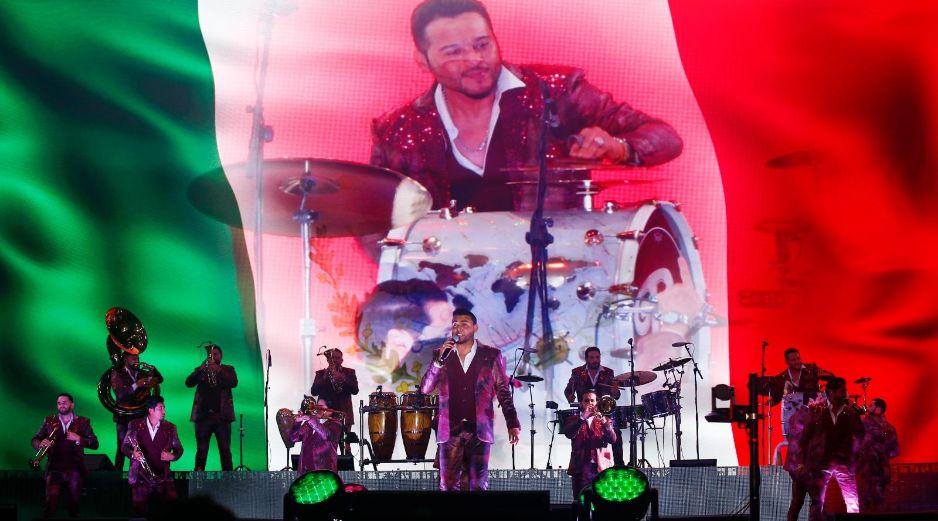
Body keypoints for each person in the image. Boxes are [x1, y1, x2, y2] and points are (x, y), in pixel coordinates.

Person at [371, 0, 683, 212]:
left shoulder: (556, 92)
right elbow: (373, 216)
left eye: (482, 45)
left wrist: (618, 148)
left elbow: (666, 138)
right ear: (422, 60)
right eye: (453, 52)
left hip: (558, 274)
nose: (476, 60)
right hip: (451, 292)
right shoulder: (399, 130)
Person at [420, 307, 521, 490]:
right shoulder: (441, 355)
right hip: (450, 429)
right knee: (448, 486)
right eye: (455, 324)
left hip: (479, 429)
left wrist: (512, 423)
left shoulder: (490, 355)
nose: (458, 328)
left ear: (475, 328)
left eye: (464, 324)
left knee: (478, 485)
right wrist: (438, 361)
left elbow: (502, 390)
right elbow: (425, 389)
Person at [796, 376, 864, 520]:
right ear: (831, 392)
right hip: (821, 462)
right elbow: (805, 437)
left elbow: (860, 435)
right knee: (817, 502)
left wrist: (855, 456)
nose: (845, 394)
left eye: (845, 391)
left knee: (852, 501)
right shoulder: (818, 411)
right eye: (842, 391)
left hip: (844, 462)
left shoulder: (850, 412)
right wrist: (801, 461)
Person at [31, 393, 99, 518]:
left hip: (75, 468)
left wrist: (79, 438)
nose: (62, 405)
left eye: (65, 402)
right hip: (54, 467)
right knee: (50, 502)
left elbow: (94, 443)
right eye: (59, 403)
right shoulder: (49, 420)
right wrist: (40, 443)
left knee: (74, 504)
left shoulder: (83, 421)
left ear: (72, 404)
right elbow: (35, 439)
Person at [121, 395, 183, 516]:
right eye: (160, 408)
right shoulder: (135, 425)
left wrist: (173, 456)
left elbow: (179, 449)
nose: (164, 411)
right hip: (140, 477)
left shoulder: (170, 428)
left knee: (168, 511)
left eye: (164, 408)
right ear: (151, 410)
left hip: (162, 477)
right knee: (140, 512)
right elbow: (124, 447)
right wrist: (132, 454)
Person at [563, 346, 624, 466]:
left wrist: (615, 391)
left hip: (603, 412)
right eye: (592, 358)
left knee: (616, 434)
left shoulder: (608, 372)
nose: (595, 360)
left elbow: (616, 396)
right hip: (584, 413)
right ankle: (579, 465)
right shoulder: (577, 372)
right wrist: (570, 396)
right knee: (579, 437)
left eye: (597, 357)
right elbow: (568, 391)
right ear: (586, 359)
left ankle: (619, 466)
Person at [184, 343, 238, 471]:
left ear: (221, 356)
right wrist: (200, 370)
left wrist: (218, 370)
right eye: (211, 354)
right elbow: (188, 383)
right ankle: (198, 480)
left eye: (215, 354)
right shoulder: (201, 369)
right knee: (201, 451)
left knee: (225, 451)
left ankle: (228, 480)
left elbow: (233, 382)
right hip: (203, 418)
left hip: (222, 417)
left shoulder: (228, 369)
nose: (212, 356)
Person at [110, 352, 163, 471]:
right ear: (125, 359)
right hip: (124, 415)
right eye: (133, 358)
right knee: (122, 446)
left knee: (143, 445)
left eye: (138, 358)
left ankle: (143, 474)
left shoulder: (142, 373)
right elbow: (120, 394)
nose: (137, 360)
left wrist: (153, 369)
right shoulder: (117, 373)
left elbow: (159, 380)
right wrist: (136, 385)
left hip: (140, 414)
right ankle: (117, 475)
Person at [769, 347, 833, 439]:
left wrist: (824, 375)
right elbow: (778, 397)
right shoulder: (782, 377)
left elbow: (831, 376)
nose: (797, 361)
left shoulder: (811, 368)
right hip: (796, 414)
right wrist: (765, 404)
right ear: (787, 362)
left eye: (798, 358)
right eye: (793, 360)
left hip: (813, 408)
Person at [563, 390, 617, 499]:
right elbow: (569, 434)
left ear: (597, 402)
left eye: (592, 400)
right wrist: (582, 418)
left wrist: (605, 423)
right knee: (580, 501)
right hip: (580, 468)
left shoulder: (605, 420)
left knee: (601, 502)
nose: (590, 403)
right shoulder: (572, 419)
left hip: (601, 468)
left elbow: (613, 439)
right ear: (581, 403)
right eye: (586, 400)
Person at [856, 398, 900, 513]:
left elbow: (895, 450)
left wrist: (879, 453)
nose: (868, 407)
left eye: (871, 405)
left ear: (878, 410)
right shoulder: (863, 424)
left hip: (878, 472)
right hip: (866, 471)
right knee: (866, 502)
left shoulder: (888, 429)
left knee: (877, 503)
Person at [310, 348, 359, 451]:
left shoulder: (349, 372)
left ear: (342, 360)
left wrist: (342, 378)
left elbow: (355, 390)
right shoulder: (320, 373)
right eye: (333, 358)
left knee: (345, 448)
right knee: (328, 446)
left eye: (338, 358)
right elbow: (314, 391)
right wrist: (324, 377)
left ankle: (346, 465)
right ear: (329, 360)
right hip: (327, 414)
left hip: (344, 412)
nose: (335, 360)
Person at [289, 398, 345, 474]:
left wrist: (311, 419)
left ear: (330, 410)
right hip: (305, 472)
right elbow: (293, 438)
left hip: (324, 473)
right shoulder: (308, 424)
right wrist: (297, 422)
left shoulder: (335, 424)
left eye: (320, 406)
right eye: (316, 406)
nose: (316, 409)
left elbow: (326, 435)